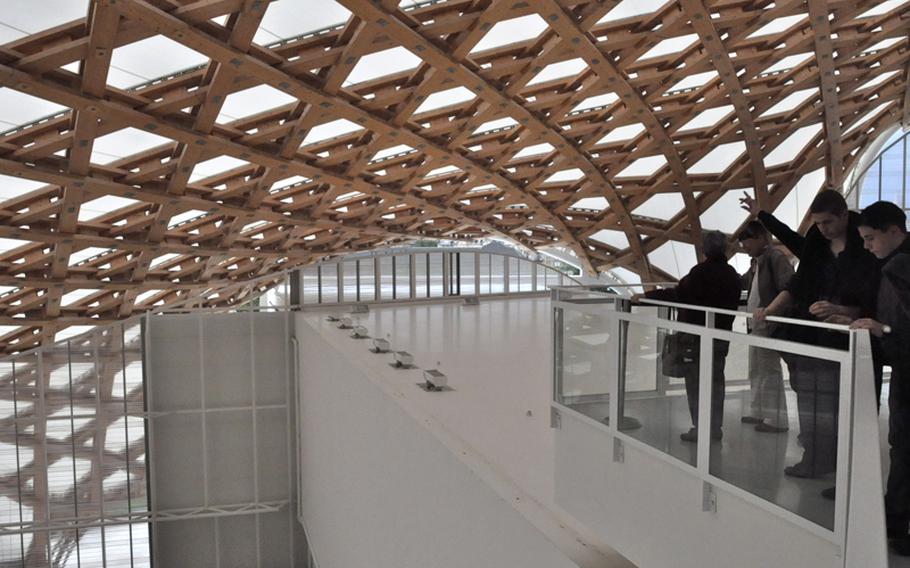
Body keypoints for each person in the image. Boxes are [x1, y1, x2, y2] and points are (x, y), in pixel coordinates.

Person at [751, 190, 878, 479]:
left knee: (845, 405)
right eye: (819, 223)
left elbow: (874, 293)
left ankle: (847, 472)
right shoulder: (818, 242)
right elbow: (800, 280)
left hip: (851, 340)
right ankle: (817, 459)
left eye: (828, 222)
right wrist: (769, 310)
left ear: (845, 215)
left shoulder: (865, 242)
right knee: (812, 399)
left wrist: (845, 310)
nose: (824, 229)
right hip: (816, 338)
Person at [847, 201, 910, 554]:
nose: (868, 246)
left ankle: (896, 525)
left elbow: (898, 328)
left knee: (903, 449)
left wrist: (880, 328)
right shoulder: (894, 265)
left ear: (893, 231)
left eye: (871, 239)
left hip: (907, 376)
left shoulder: (898, 268)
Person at [641, 231, 741, 442]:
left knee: (696, 384)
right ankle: (715, 428)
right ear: (723, 249)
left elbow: (678, 294)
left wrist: (646, 297)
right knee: (716, 383)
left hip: (696, 339)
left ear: (705, 249)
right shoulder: (732, 274)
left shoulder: (699, 273)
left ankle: (700, 427)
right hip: (721, 338)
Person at [738, 221, 795, 433]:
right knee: (757, 368)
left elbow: (788, 288)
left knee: (769, 370)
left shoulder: (775, 259)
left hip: (769, 325)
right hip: (757, 324)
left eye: (747, 245)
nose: (745, 250)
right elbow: (745, 283)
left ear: (761, 237)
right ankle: (760, 410)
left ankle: (776, 418)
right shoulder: (757, 262)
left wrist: (771, 312)